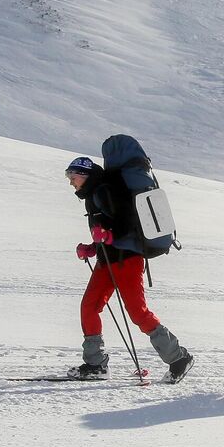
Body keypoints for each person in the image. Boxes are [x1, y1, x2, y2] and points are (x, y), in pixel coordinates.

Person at [67, 156, 193, 382]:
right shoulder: (93, 195)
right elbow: (106, 228)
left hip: (127, 259)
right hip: (108, 260)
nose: (71, 182)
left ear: (84, 175)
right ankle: (96, 365)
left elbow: (126, 221)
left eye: (73, 177)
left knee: (137, 312)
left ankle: (179, 358)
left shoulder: (105, 190)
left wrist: (106, 236)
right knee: (89, 306)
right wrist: (93, 247)